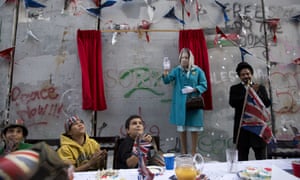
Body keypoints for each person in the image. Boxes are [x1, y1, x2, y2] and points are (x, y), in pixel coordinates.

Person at [162, 48, 207, 155]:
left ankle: (193, 153)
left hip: (194, 104)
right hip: (181, 105)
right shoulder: (177, 71)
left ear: (190, 58)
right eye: (182, 57)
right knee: (182, 129)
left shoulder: (197, 71)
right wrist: (165, 70)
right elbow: (166, 80)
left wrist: (194, 89)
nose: (184, 59)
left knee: (194, 129)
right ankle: (184, 153)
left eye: (186, 57)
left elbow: (204, 85)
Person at [229, 61, 271, 161]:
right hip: (242, 129)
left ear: (251, 74)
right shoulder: (234, 89)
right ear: (239, 76)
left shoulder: (260, 88)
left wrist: (257, 94)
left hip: (258, 129)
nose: (246, 76)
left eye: (247, 74)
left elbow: (267, 103)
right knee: (242, 160)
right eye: (243, 74)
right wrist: (248, 93)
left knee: (261, 160)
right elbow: (232, 103)